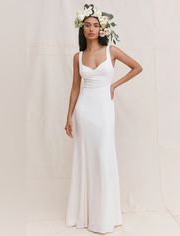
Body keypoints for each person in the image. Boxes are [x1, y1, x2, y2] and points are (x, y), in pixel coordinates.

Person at [64, 4, 143, 234]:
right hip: (83, 111)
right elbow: (74, 89)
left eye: (95, 25)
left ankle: (105, 215)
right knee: (86, 158)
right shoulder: (77, 56)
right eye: (87, 25)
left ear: (102, 29)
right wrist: (68, 116)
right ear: (82, 29)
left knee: (103, 156)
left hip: (104, 110)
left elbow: (137, 67)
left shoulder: (112, 51)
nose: (91, 29)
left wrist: (114, 85)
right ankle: (87, 214)